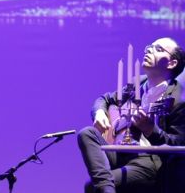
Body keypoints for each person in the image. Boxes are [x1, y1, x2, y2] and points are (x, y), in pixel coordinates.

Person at [77, 37, 185, 193]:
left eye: (158, 49)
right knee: (87, 133)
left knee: (93, 186)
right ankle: (105, 187)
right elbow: (105, 99)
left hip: (148, 161)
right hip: (120, 150)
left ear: (171, 63)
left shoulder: (179, 100)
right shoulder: (137, 83)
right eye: (149, 47)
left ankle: (104, 188)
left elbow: (178, 146)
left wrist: (150, 130)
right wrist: (100, 112)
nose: (149, 50)